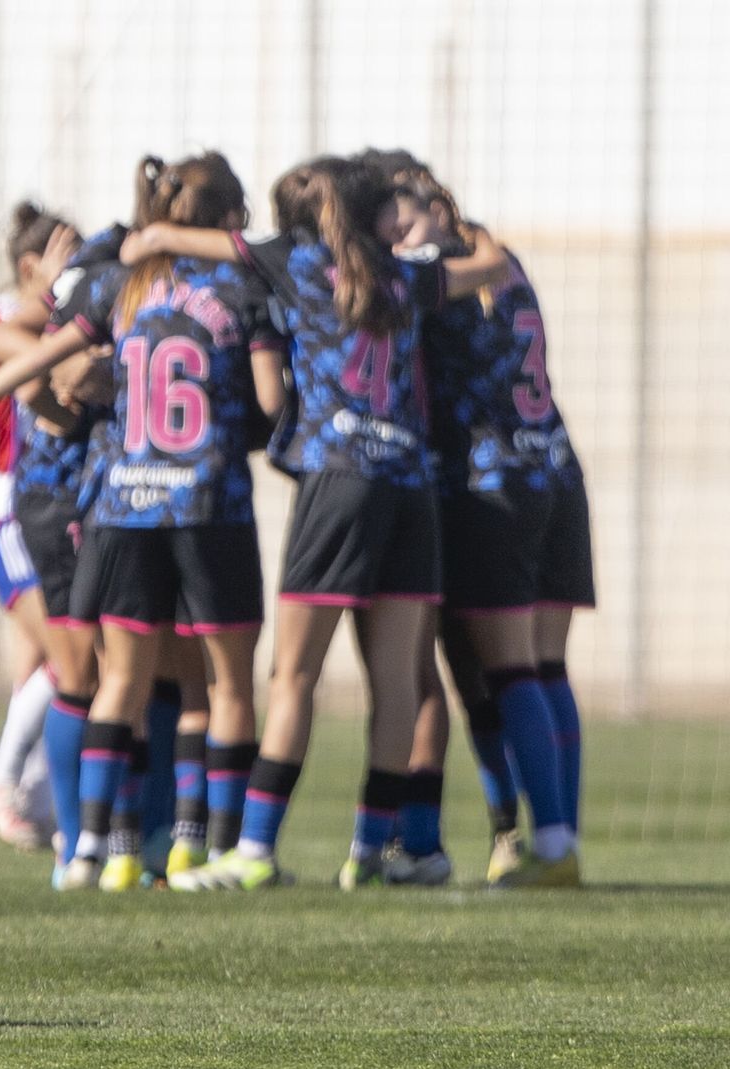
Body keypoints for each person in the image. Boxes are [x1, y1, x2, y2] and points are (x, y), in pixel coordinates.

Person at [118, 156, 509, 891]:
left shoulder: (296, 259)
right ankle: (371, 850)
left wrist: (149, 238)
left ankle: (255, 848)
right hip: (412, 483)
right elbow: (486, 267)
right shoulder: (405, 275)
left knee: (293, 674)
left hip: (339, 479)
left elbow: (214, 246)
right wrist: (472, 233)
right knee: (396, 680)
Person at [0, 152, 286, 891]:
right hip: (184, 501)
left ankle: (105, 848)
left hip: (121, 502)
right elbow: (270, 408)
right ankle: (202, 847)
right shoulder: (239, 284)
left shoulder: (122, 279)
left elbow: (46, 350)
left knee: (126, 679)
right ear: (228, 219)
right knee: (196, 683)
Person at [381, 163, 592, 888]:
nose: (399, 243)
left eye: (404, 225)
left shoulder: (438, 276)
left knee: (500, 671)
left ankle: (550, 845)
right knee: (543, 668)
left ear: (439, 210)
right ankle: (547, 838)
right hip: (557, 471)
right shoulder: (504, 258)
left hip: (492, 484)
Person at [0, 202, 80, 851]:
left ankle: (33, 795)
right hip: (11, 504)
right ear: (34, 266)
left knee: (42, 662)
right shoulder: (6, 318)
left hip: (51, 503)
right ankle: (6, 776)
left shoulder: (53, 318)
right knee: (70, 654)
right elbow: (15, 348)